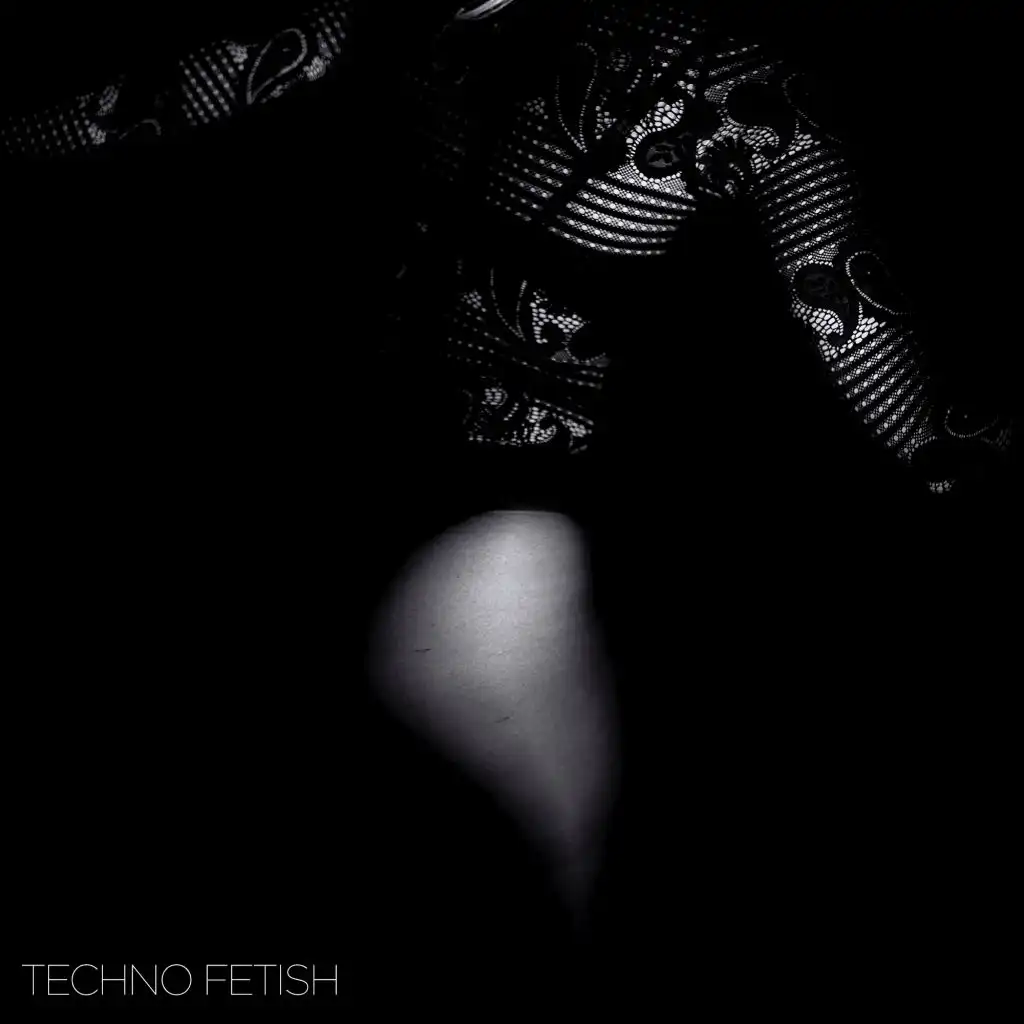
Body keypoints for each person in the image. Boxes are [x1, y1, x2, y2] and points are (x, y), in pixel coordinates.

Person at [7, 0, 1015, 1012]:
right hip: (506, 546)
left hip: (331, 482)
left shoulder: (434, 2)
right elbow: (869, 355)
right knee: (545, 937)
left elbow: (161, 96)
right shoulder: (739, 79)